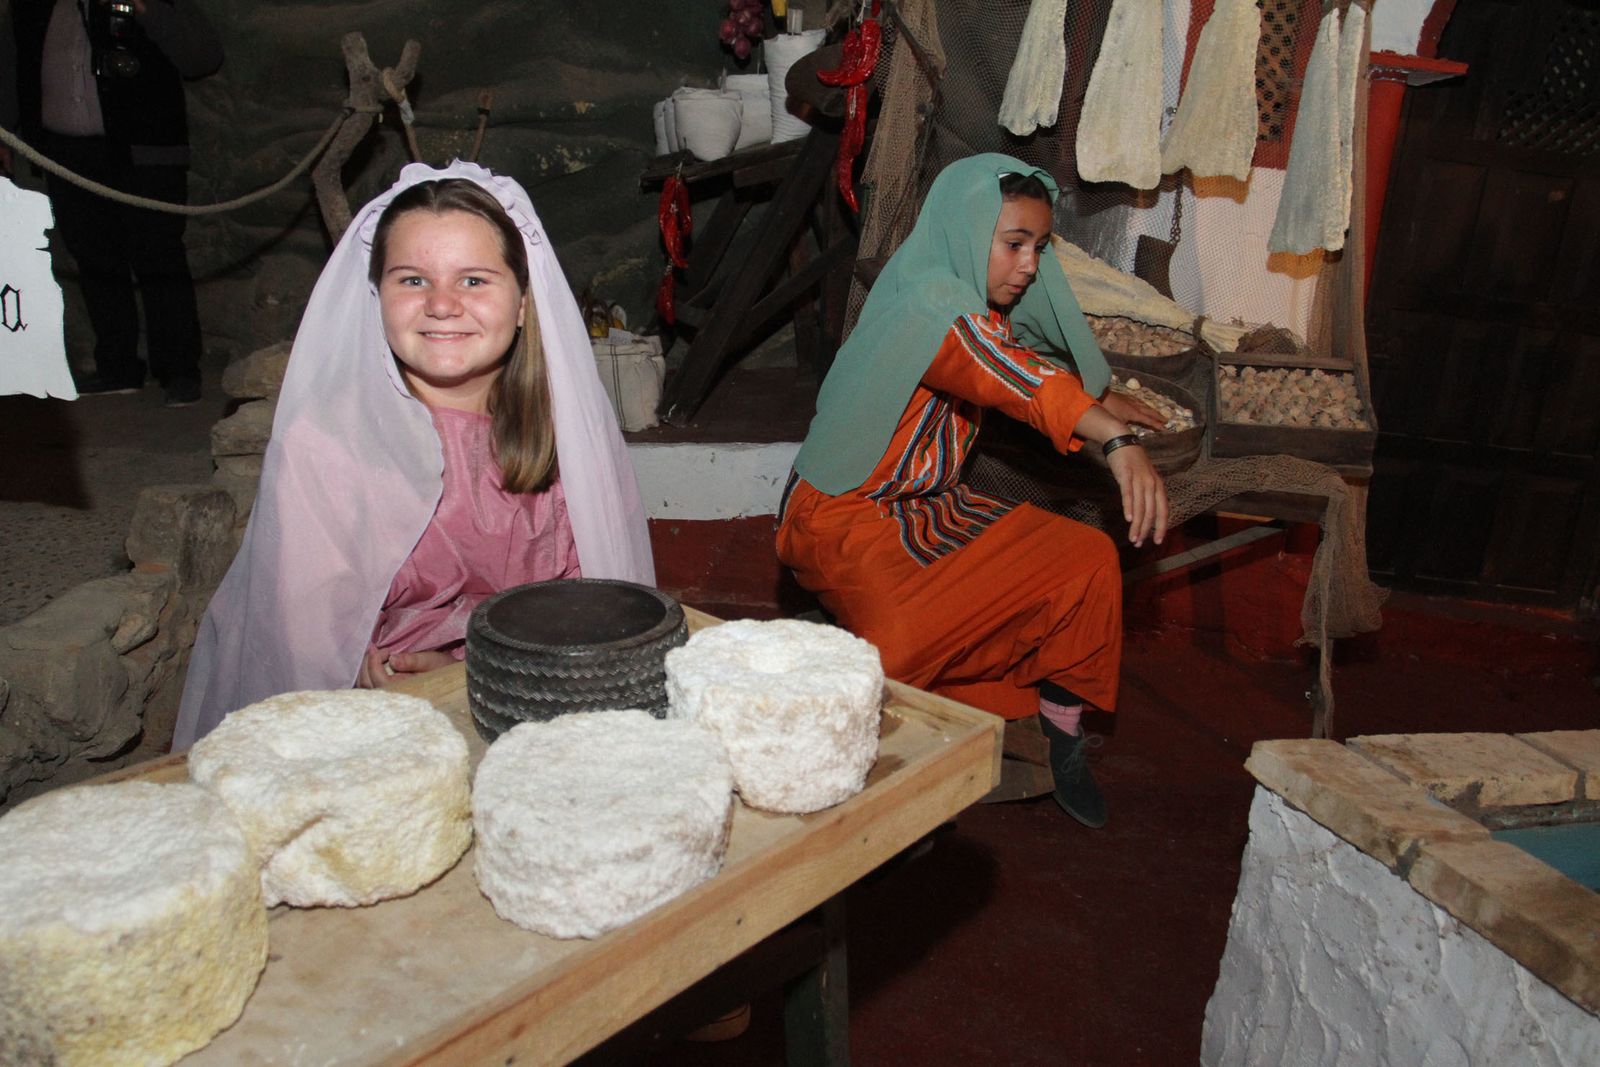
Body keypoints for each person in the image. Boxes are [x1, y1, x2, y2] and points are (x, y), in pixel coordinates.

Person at [172, 161, 655, 749]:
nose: (442, 305)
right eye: (412, 280)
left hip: (538, 709)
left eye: (474, 280)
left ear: (524, 302)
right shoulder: (325, 442)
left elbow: (595, 609)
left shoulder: (565, 436)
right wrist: (375, 673)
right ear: (375, 296)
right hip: (378, 731)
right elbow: (302, 649)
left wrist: (470, 669)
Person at [776, 153, 1169, 828]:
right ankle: (855, 715)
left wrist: (1102, 394)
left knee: (1086, 561)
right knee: (899, 643)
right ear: (965, 232)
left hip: (932, 509)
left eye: (1039, 248)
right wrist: (1112, 438)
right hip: (840, 515)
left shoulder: (979, 302)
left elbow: (1033, 343)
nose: (1028, 266)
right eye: (1013, 244)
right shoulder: (932, 304)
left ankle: (1060, 731)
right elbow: (1010, 374)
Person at [4, 0, 221, 405]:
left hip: (144, 149)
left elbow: (202, 58)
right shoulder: (28, 6)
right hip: (65, 154)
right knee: (94, 257)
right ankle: (118, 366)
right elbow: (14, 67)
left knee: (159, 254)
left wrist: (147, 8)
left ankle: (178, 369)